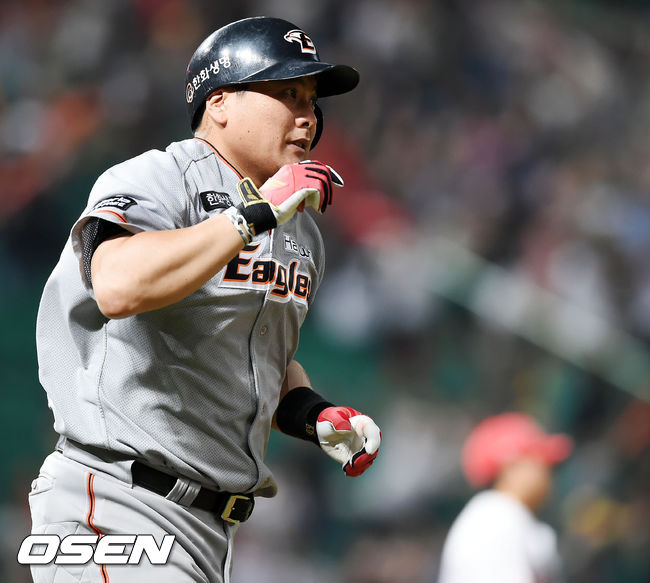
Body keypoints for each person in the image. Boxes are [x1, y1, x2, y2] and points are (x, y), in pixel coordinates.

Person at [29, 16, 381, 583]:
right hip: (116, 502)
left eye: (312, 101)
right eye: (287, 94)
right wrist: (251, 216)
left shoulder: (300, 229)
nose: (307, 116)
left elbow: (258, 356)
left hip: (209, 530)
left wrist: (313, 414)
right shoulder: (160, 178)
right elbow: (117, 286)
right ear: (219, 103)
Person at [437, 412, 573, 583]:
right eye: (538, 459)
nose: (547, 470)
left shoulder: (504, 515)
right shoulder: (495, 517)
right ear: (510, 465)